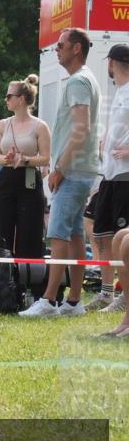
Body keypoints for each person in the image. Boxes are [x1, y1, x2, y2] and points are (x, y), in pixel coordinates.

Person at [20, 29, 101, 317]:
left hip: (74, 169)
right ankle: (74, 301)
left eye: (61, 45)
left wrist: (60, 168)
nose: (57, 49)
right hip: (81, 168)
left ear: (76, 48)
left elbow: (81, 128)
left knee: (58, 234)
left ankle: (49, 300)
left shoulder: (79, 80)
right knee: (75, 235)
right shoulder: (83, 78)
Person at [0, 75, 50, 260]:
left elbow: (46, 158)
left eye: (9, 96)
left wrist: (25, 160)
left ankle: (28, 278)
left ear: (20, 99)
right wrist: (7, 158)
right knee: (0, 229)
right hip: (7, 178)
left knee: (29, 229)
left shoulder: (40, 126)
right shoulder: (2, 124)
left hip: (29, 179)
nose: (5, 99)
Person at [85, 44, 129, 312]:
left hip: (126, 175)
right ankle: (106, 292)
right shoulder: (120, 92)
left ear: (112, 63)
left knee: (122, 238)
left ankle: (123, 295)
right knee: (99, 233)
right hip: (109, 174)